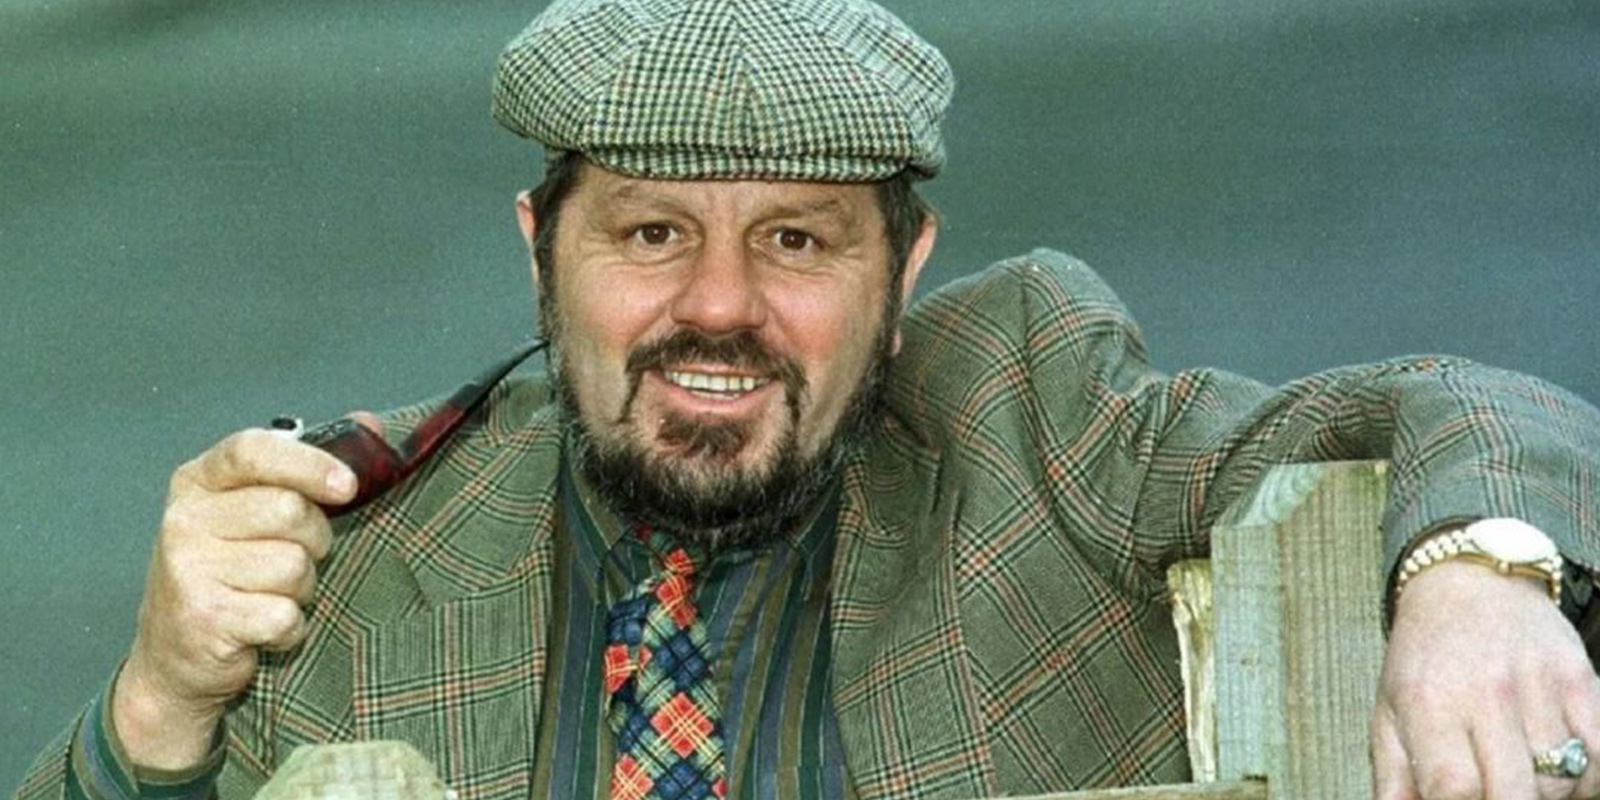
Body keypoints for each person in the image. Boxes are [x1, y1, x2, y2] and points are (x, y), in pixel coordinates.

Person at [17, 0, 1600, 798]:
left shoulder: (1034, 414)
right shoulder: (362, 561)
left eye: (796, 240)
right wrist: (155, 708)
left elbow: (1454, 402)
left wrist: (1479, 572)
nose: (719, 305)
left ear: (906, 271)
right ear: (541, 252)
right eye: (651, 234)